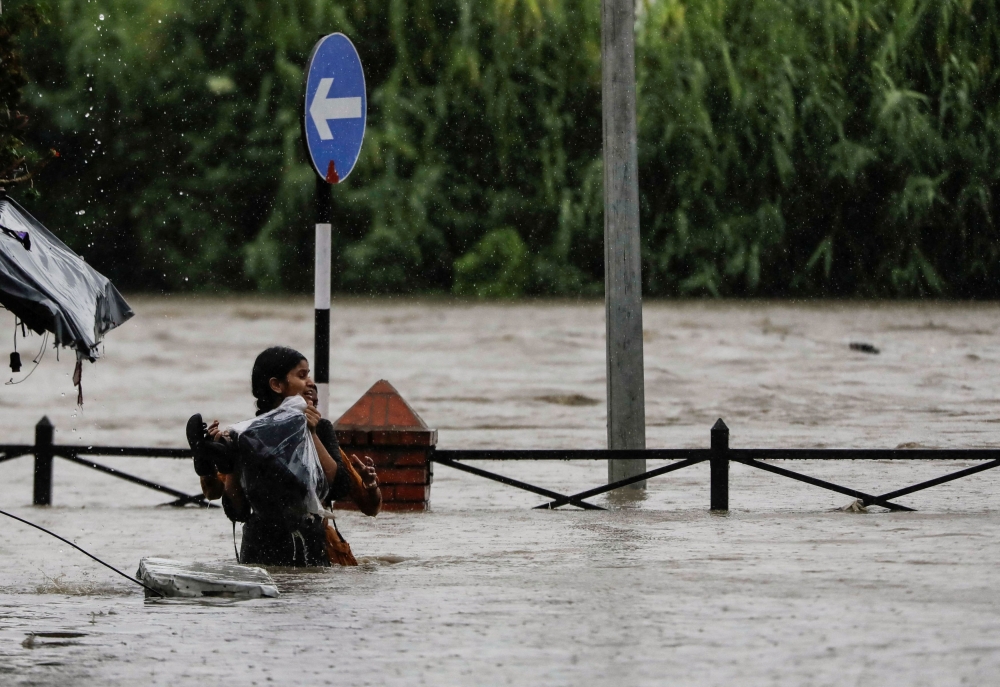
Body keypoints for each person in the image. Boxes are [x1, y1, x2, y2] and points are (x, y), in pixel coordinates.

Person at [187, 346, 381, 566]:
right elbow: (237, 511)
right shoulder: (247, 436)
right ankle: (218, 455)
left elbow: (339, 486)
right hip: (267, 548)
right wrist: (231, 467)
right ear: (276, 385)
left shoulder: (319, 429)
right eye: (302, 375)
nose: (310, 382)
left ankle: (217, 454)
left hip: (304, 545)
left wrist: (312, 433)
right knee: (236, 450)